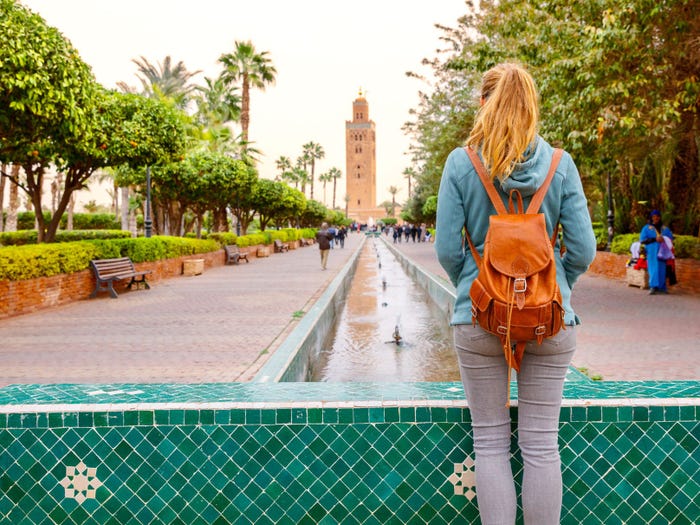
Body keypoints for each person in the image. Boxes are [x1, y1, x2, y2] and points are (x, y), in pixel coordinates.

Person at [435, 63, 597, 525]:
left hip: (479, 318)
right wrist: (556, 286)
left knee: (489, 443)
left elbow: (448, 249)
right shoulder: (560, 164)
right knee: (542, 445)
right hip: (550, 320)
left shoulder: (461, 163)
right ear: (532, 108)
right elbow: (583, 249)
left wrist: (476, 286)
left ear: (483, 105)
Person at [640, 210, 673, 294]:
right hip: (652, 252)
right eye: (654, 216)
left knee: (662, 269)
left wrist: (664, 239)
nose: (656, 218)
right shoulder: (646, 228)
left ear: (660, 217)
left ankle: (662, 287)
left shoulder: (665, 229)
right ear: (651, 217)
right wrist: (655, 239)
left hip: (663, 252)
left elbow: (671, 239)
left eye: (657, 216)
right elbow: (642, 240)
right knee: (653, 269)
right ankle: (653, 287)